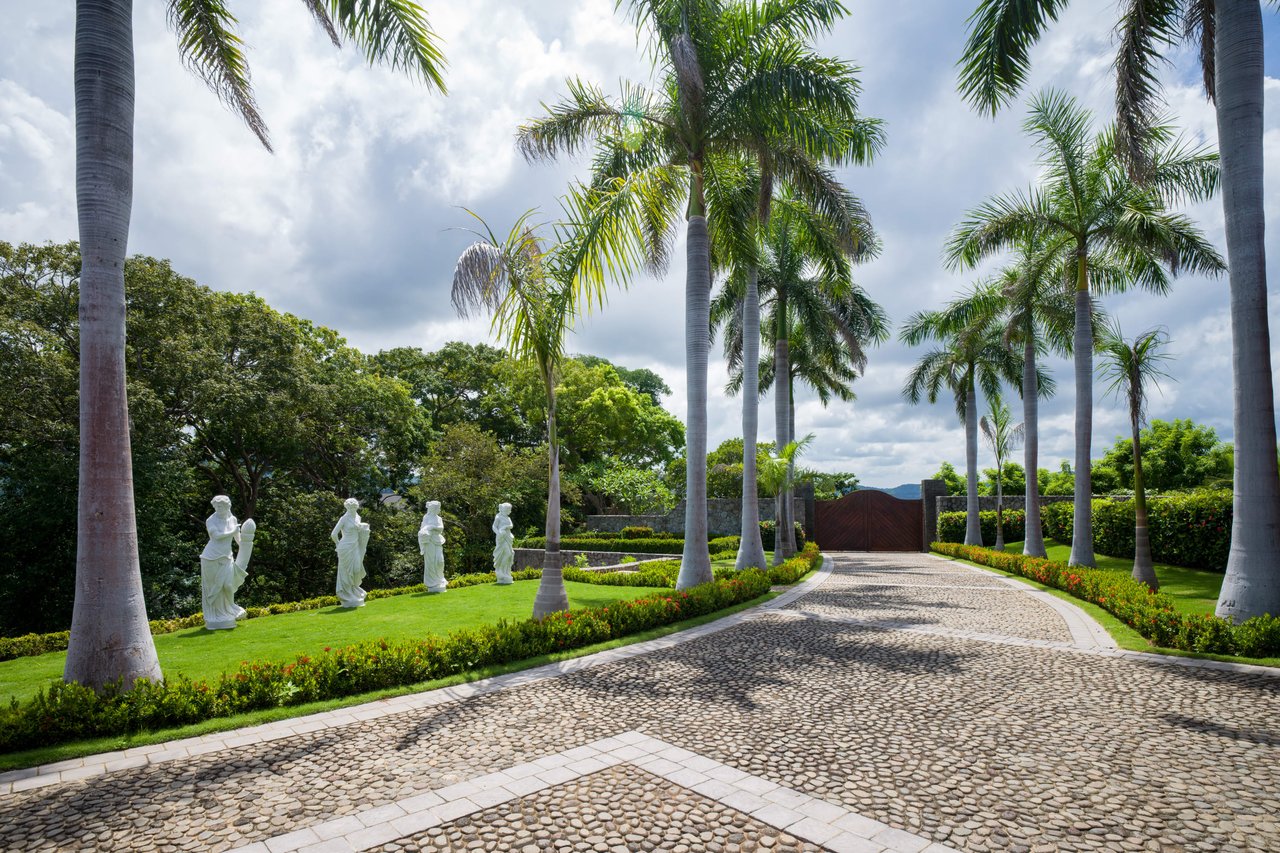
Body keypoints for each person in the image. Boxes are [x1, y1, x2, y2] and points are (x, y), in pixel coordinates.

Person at [201, 495, 251, 629]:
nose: (218, 508)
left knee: (228, 585)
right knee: (214, 587)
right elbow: (216, 536)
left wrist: (247, 542)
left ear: (228, 506)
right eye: (216, 506)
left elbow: (238, 539)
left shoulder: (232, 519)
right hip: (210, 558)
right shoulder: (210, 520)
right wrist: (233, 531)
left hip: (227, 556)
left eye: (221, 506)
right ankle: (214, 615)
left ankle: (231, 606)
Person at [332, 498, 370, 608]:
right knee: (346, 573)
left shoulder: (357, 517)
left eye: (354, 507)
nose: (352, 508)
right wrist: (338, 545)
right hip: (345, 548)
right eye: (350, 507)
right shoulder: (343, 519)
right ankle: (347, 594)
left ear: (357, 507)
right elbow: (334, 534)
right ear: (347, 507)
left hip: (355, 546)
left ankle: (353, 590)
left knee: (357, 569)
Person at [419, 500, 448, 593]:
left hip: (437, 541)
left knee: (440, 561)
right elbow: (422, 530)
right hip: (429, 542)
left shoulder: (439, 518)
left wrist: (431, 527)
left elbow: (441, 529)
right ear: (433, 509)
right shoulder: (426, 517)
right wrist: (428, 529)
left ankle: (440, 579)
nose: (439, 510)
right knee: (431, 562)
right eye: (437, 508)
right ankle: (433, 583)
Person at [492, 502, 515, 585]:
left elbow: (511, 525)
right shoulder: (498, 517)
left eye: (509, 510)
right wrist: (498, 533)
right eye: (507, 509)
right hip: (501, 538)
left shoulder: (508, 518)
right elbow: (494, 526)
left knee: (510, 554)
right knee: (507, 554)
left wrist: (505, 527)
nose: (509, 511)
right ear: (503, 509)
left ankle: (506, 572)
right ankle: (500, 571)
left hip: (508, 536)